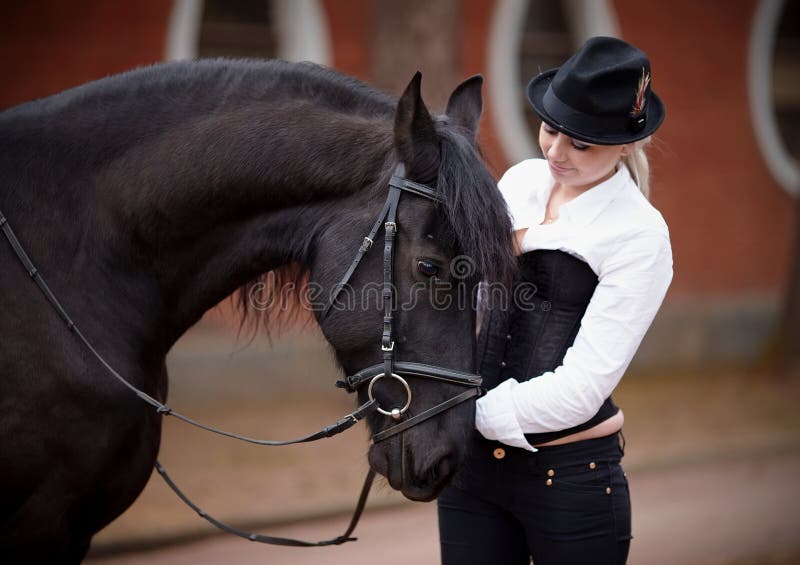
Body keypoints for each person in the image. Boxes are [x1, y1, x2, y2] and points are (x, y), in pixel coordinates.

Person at [437, 36, 673, 565]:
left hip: (569, 483)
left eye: (581, 144)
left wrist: (460, 410)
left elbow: (581, 389)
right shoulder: (519, 182)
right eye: (550, 129)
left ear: (627, 143)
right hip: (470, 473)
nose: (555, 152)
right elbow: (463, 298)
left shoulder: (640, 235)